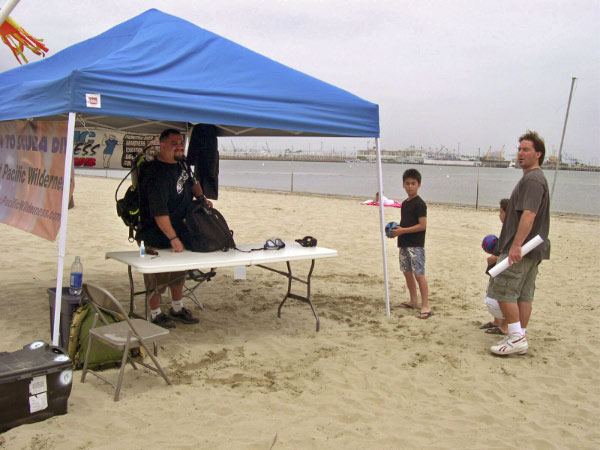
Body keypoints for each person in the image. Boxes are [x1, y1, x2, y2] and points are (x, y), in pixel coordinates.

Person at [136, 128, 212, 329]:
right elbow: (159, 213)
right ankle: (155, 314)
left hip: (180, 229)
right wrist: (172, 238)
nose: (179, 146)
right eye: (174, 143)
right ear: (162, 145)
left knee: (179, 272)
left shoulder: (183, 164)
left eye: (181, 142)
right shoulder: (155, 173)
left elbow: (193, 183)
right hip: (156, 234)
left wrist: (202, 198)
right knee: (156, 277)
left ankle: (177, 308)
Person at [486, 131, 550, 356]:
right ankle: (519, 335)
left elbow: (529, 214)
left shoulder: (533, 179)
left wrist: (516, 245)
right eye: (520, 149)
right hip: (533, 248)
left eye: (527, 150)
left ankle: (515, 336)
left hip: (523, 248)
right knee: (523, 294)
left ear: (538, 154)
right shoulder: (534, 178)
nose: (521, 153)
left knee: (503, 288)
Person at [389, 169, 431, 319]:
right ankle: (414, 300)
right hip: (404, 243)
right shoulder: (405, 203)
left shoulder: (420, 204)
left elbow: (422, 225)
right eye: (407, 184)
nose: (410, 187)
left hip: (416, 244)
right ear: (403, 185)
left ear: (419, 185)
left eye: (413, 183)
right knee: (407, 273)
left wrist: (403, 231)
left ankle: (425, 305)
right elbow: (404, 223)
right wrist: (395, 231)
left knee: (419, 274)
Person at [480, 198, 509, 335]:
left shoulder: (511, 230)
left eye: (501, 211)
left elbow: (511, 253)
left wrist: (495, 258)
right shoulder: (506, 228)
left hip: (502, 267)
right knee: (493, 292)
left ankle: (504, 326)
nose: (499, 214)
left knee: (501, 297)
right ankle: (496, 321)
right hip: (496, 267)